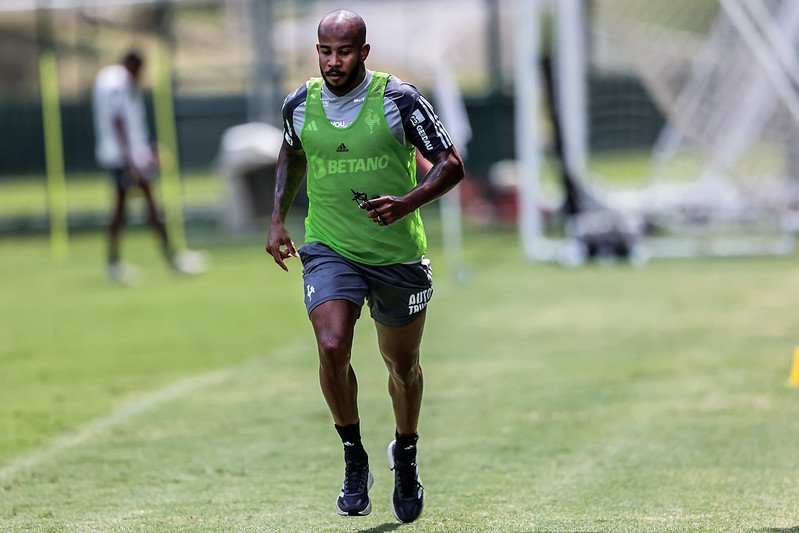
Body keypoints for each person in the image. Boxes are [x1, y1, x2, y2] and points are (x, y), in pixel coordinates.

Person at [265, 9, 464, 524]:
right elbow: (291, 153)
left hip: (396, 254)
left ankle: (406, 454)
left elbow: (450, 164)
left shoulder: (399, 100)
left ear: (365, 52)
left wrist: (408, 202)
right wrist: (277, 220)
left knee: (402, 365)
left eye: (345, 51)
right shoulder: (298, 104)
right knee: (332, 344)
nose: (334, 62)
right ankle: (355, 458)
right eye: (325, 51)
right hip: (331, 247)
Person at [92, 50, 205, 284]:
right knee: (145, 207)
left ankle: (118, 262)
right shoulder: (118, 82)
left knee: (130, 208)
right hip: (123, 158)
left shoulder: (111, 79)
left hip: (124, 155)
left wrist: (145, 150)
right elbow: (117, 122)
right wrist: (132, 161)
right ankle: (169, 258)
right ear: (133, 64)